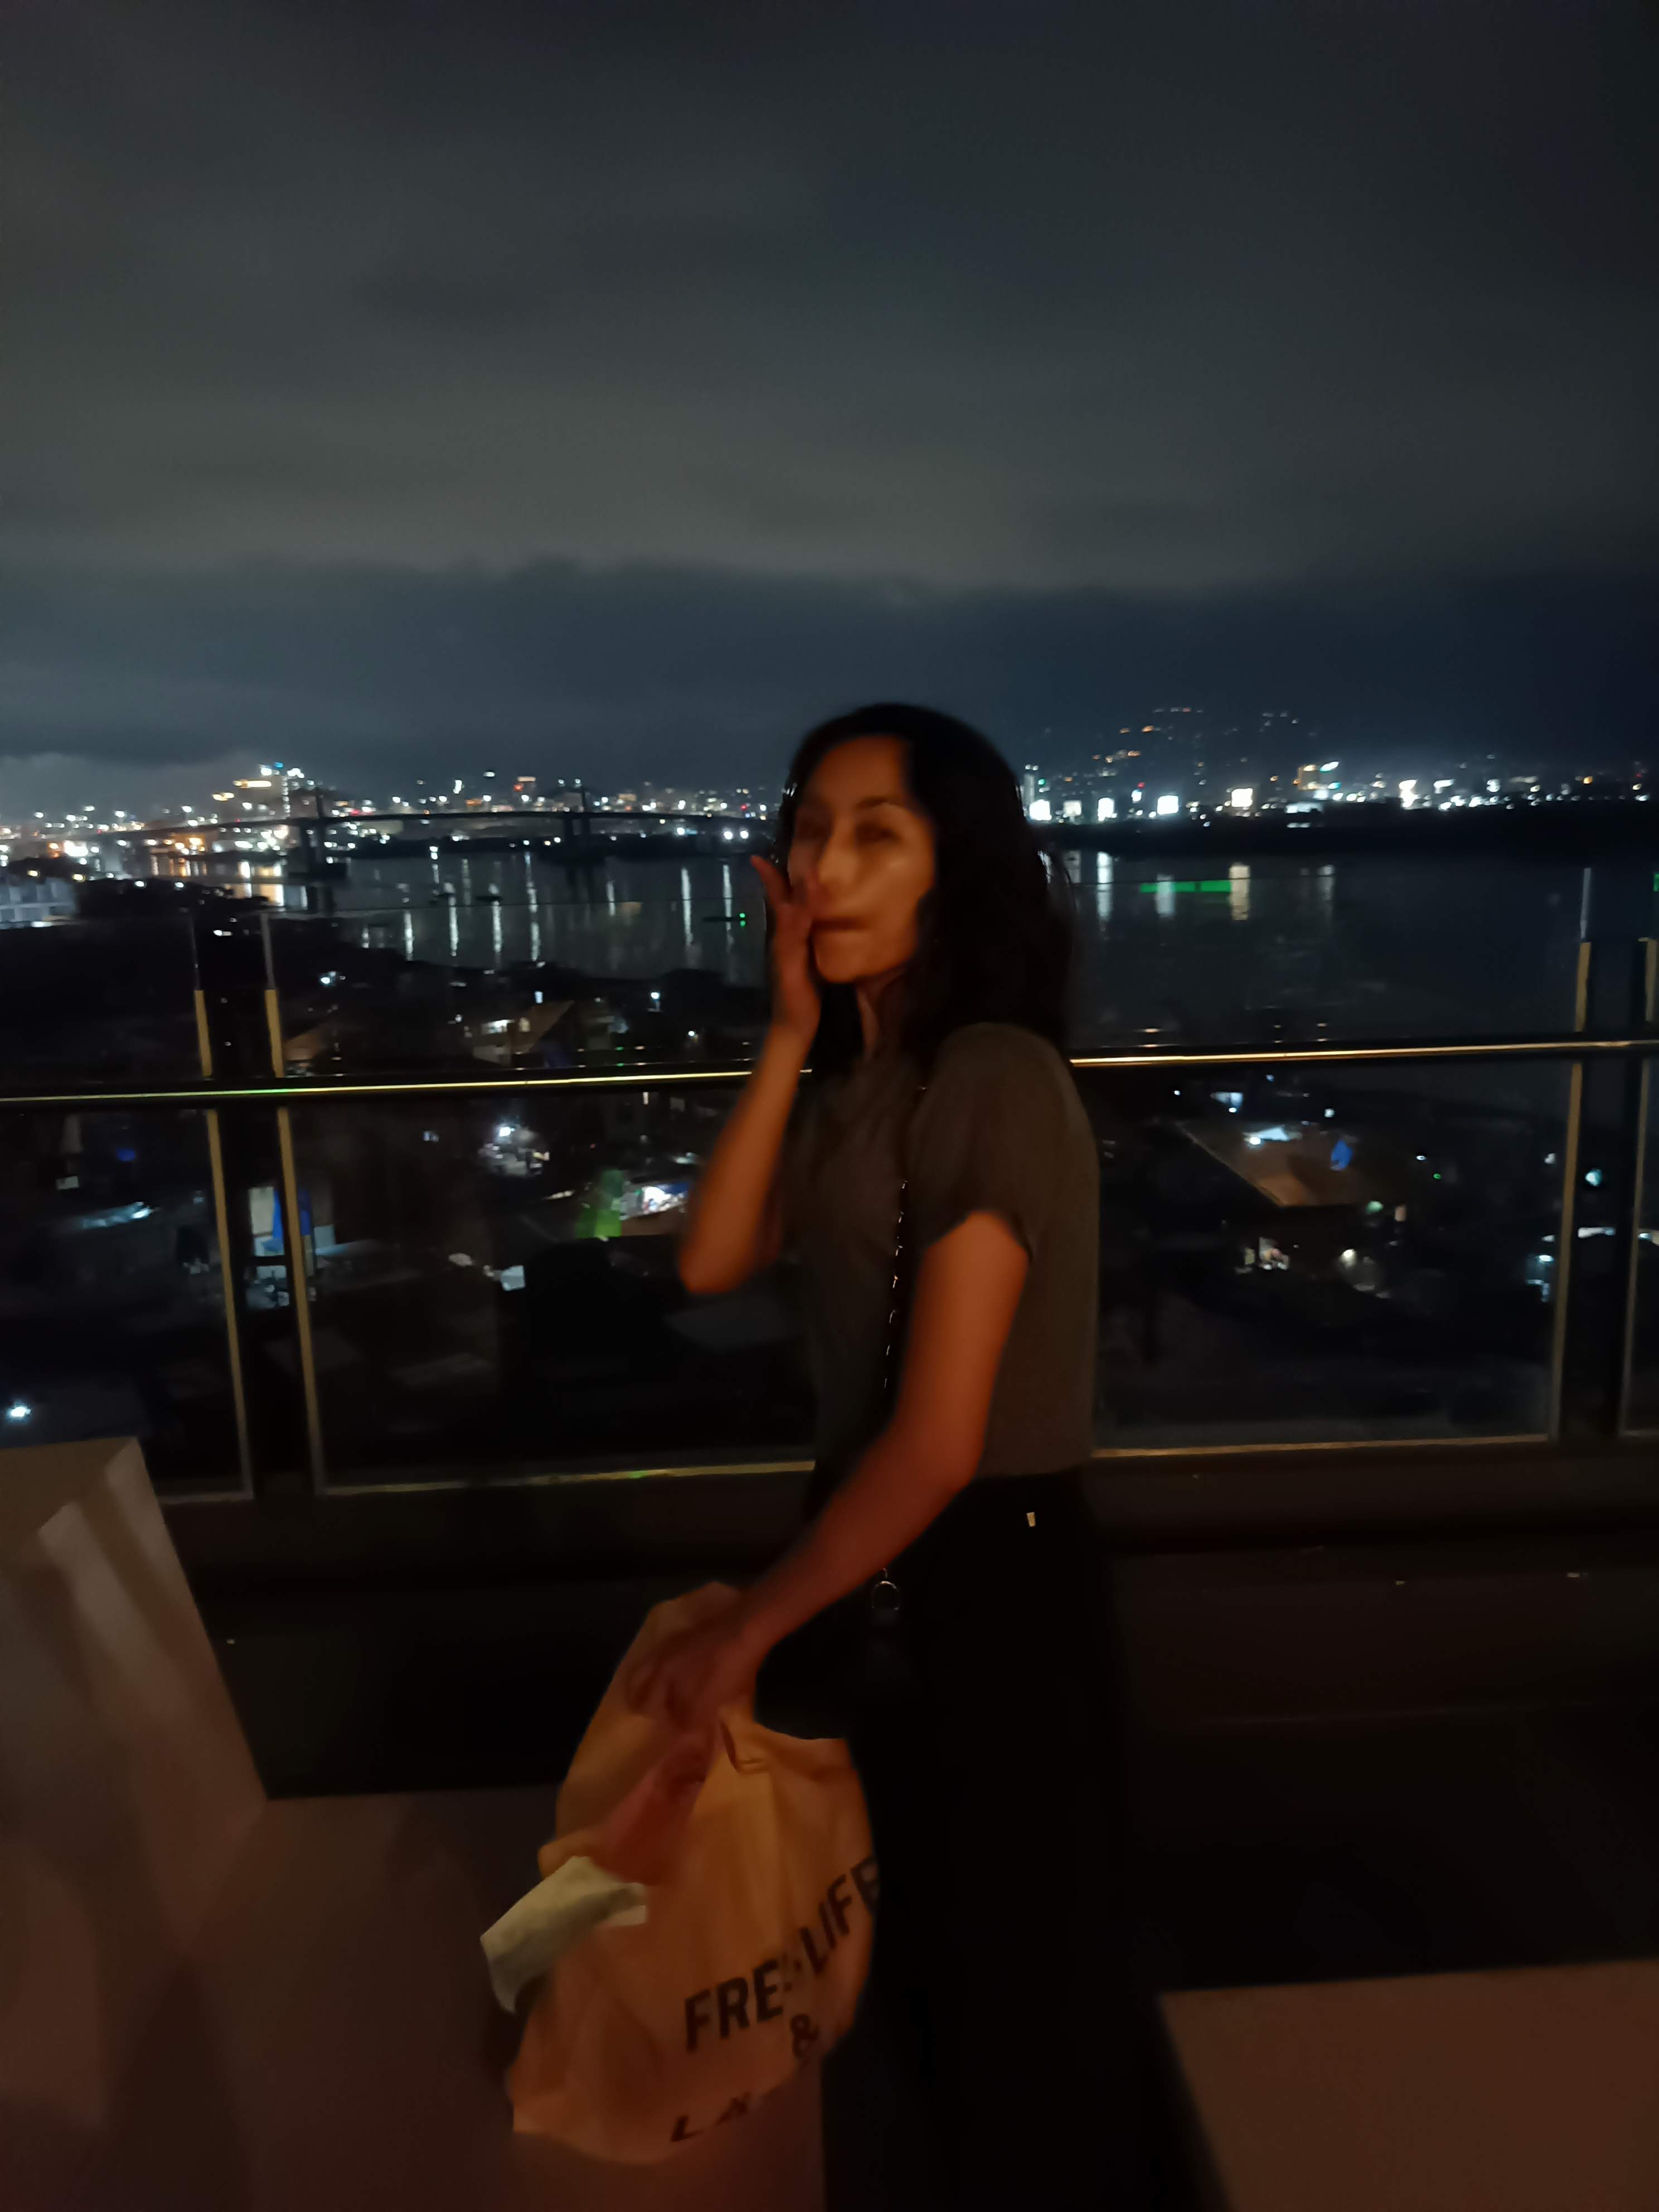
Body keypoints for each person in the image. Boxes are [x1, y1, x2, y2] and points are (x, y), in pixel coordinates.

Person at [626, 704, 1160, 2208]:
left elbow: (938, 1443)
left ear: (957, 867)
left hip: (989, 1575)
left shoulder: (991, 1078)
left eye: (876, 833)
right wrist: (791, 1032)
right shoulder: (868, 1083)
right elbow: (712, 1259)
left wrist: (747, 1627)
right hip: (877, 1563)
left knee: (1005, 1993)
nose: (826, 869)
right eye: (811, 830)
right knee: (894, 1965)